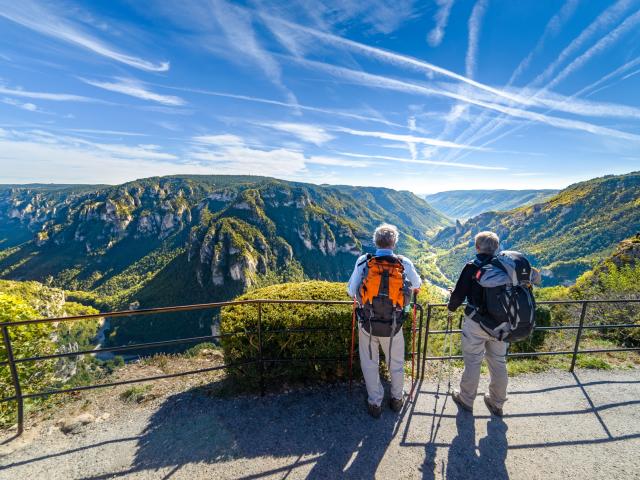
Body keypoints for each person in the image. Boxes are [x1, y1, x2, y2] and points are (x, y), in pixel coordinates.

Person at [448, 231, 540, 417]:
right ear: (497, 248)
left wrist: (451, 307)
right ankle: (497, 402)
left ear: (477, 247)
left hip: (476, 322)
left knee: (473, 361)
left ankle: (466, 399)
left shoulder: (473, 266)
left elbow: (458, 295)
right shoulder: (508, 268)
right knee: (498, 361)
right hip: (503, 325)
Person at [347, 223, 422, 418]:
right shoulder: (403, 262)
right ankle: (397, 399)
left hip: (368, 322)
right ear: (394, 243)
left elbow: (350, 290)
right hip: (394, 324)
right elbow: (417, 284)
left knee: (370, 363)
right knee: (395, 362)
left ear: (375, 242)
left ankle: (375, 402)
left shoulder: (364, 261)